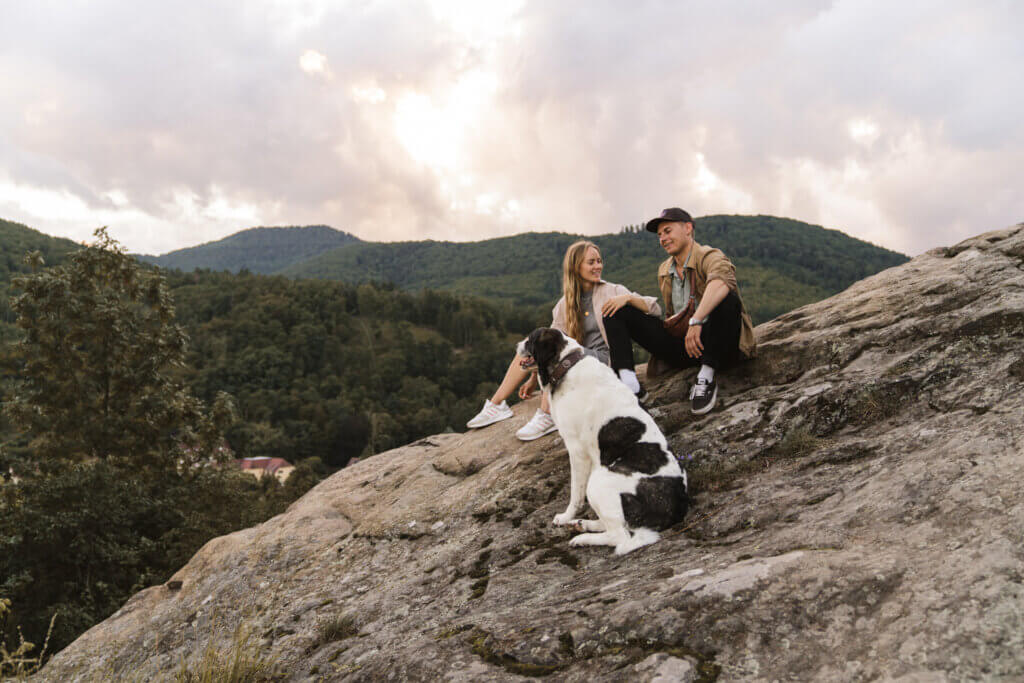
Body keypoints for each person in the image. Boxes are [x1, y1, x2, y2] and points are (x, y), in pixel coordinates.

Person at [466, 240, 660, 440]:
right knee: (529, 344)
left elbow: (654, 308)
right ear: (576, 267)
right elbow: (548, 343)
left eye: (599, 261)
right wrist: (533, 378)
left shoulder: (612, 290)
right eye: (591, 262)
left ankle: (548, 414)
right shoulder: (564, 304)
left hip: (607, 362)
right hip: (578, 361)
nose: (598, 266)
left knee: (555, 352)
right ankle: (497, 405)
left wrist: (628, 299)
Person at [599, 208, 756, 414]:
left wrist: (697, 321)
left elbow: (722, 281)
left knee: (727, 298)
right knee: (616, 310)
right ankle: (631, 385)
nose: (663, 238)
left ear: (688, 228)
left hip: (717, 344)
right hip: (685, 347)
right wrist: (629, 299)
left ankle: (706, 378)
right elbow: (669, 316)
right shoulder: (665, 269)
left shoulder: (709, 255)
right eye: (660, 235)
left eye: (668, 231)